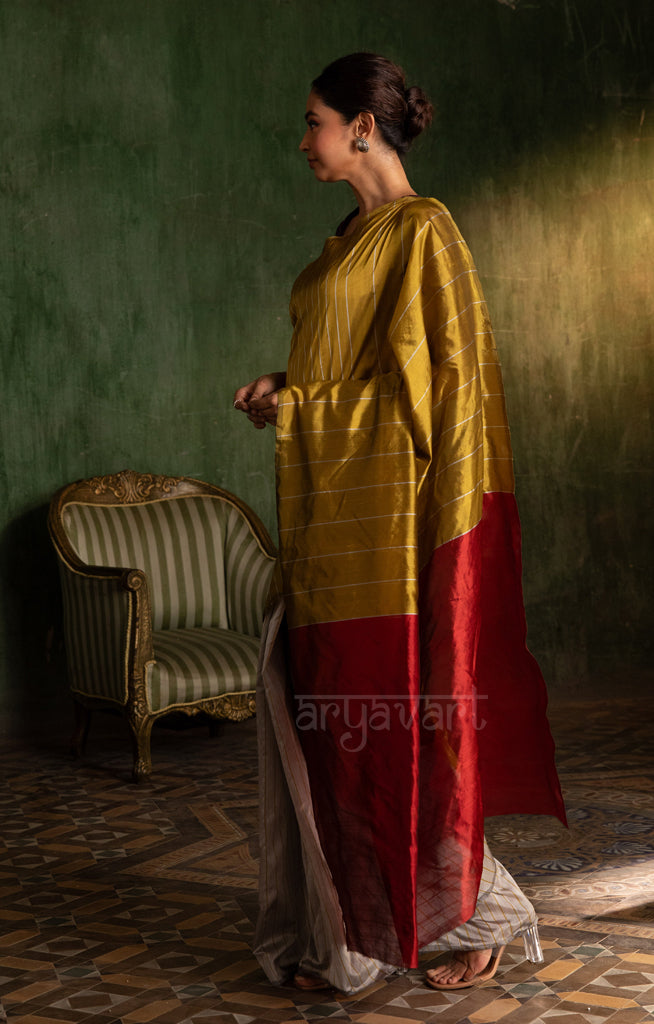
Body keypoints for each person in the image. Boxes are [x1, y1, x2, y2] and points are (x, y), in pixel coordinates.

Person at [234, 52, 566, 995]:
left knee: (380, 733)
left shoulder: (426, 234)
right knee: (312, 721)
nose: (303, 142)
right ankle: (344, 936)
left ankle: (477, 914)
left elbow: (434, 401)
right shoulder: (346, 243)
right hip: (332, 526)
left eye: (313, 123)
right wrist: (290, 386)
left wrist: (305, 411)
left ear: (362, 128)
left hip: (398, 534)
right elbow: (358, 376)